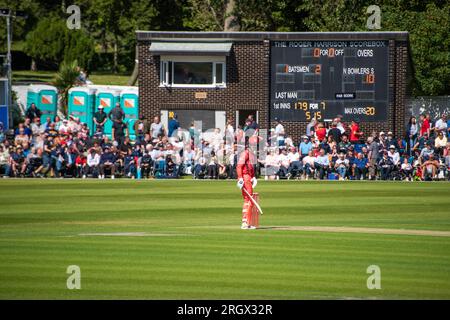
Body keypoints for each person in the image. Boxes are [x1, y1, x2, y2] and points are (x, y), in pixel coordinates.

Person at [236, 139, 257, 230]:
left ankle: (247, 222)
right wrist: (240, 178)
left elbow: (251, 167)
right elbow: (239, 166)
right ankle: (245, 222)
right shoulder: (245, 153)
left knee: (250, 199)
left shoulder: (252, 155)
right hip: (245, 177)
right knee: (248, 199)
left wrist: (253, 177)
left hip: (248, 177)